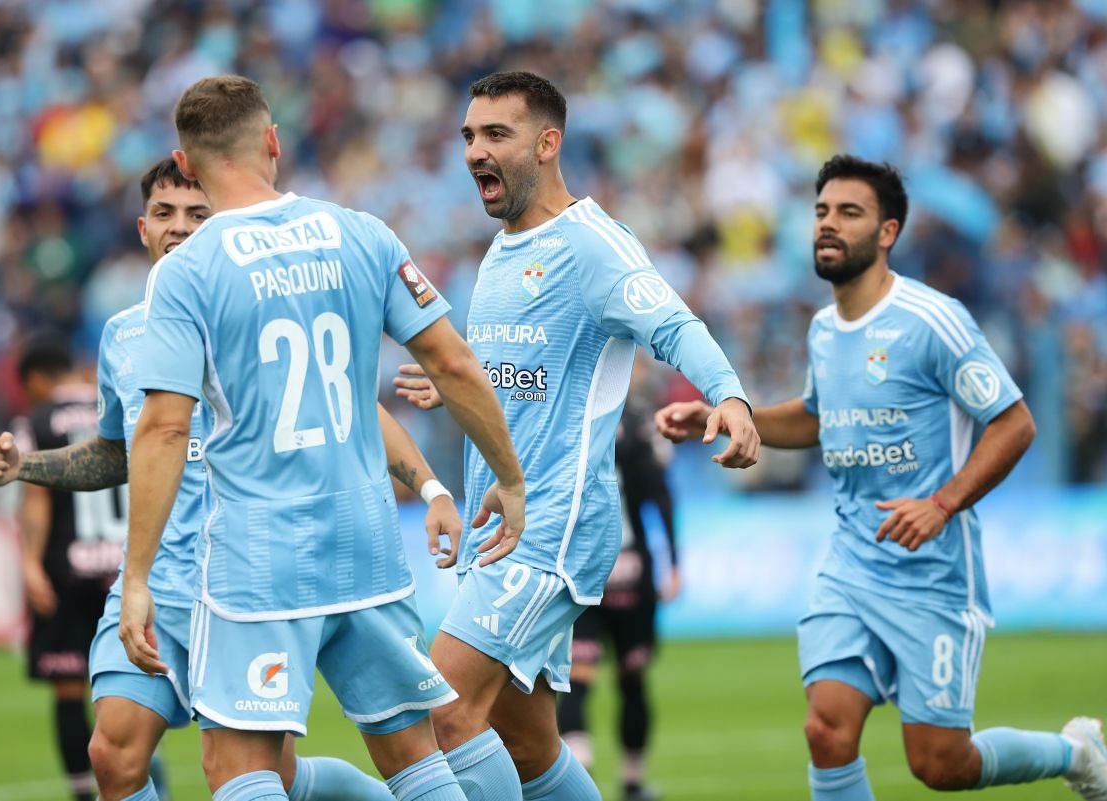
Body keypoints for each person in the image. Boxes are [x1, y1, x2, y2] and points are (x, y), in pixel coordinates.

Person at [120, 75, 525, 801]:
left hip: (259, 558)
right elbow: (453, 361)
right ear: (272, 141)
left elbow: (164, 426)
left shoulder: (186, 271)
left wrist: (139, 576)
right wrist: (510, 477)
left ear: (186, 165)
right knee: (411, 750)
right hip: (365, 546)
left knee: (238, 765)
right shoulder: (361, 232)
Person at [654, 154, 1107, 801]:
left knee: (940, 763)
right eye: (820, 213)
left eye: (848, 212)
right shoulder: (821, 328)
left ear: (888, 231)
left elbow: (1015, 422)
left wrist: (942, 503)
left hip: (931, 571)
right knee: (826, 731)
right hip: (851, 563)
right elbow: (817, 418)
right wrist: (730, 414)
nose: (827, 225)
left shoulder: (932, 320)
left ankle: (1075, 751)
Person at [0, 159, 415, 801]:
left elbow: (347, 407)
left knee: (271, 777)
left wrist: (426, 485)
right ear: (142, 228)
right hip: (163, 584)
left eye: (197, 213)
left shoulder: (255, 314)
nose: (179, 228)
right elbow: (117, 453)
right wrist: (27, 466)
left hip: (245, 581)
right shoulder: (122, 337)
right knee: (113, 755)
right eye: (164, 214)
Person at [392, 71, 758, 801]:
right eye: (469, 135)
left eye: (496, 133)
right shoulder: (501, 249)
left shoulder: (592, 243)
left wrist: (731, 396)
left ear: (547, 143)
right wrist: (463, 385)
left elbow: (674, 322)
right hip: (500, 523)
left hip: (551, 525)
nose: (474, 150)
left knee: (442, 715)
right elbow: (530, 367)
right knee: (527, 746)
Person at [557, 379, 680, 801]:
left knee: (578, 678)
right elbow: (661, 496)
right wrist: (674, 565)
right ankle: (631, 782)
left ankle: (581, 776)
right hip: (631, 566)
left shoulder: (567, 415)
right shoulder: (638, 420)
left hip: (581, 568)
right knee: (631, 678)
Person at [12, 332, 118, 801]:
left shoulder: (36, 419)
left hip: (67, 568)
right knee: (130, 694)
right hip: (125, 568)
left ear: (35, 380)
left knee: (70, 692)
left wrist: (31, 565)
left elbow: (36, 501)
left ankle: (84, 795)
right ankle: (142, 781)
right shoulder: (115, 403)